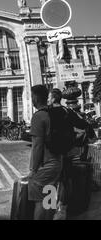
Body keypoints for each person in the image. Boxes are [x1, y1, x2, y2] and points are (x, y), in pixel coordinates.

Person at [47, 88, 90, 220]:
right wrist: (74, 138)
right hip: (67, 151)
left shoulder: (47, 113)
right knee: (65, 179)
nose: (47, 100)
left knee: (51, 181)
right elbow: (84, 125)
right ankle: (62, 208)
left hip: (52, 153)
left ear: (53, 98)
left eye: (49, 97)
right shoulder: (68, 111)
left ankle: (49, 208)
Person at [28, 85, 62, 220]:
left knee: (40, 201)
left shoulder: (38, 116)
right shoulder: (53, 113)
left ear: (35, 97)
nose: (32, 100)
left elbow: (37, 146)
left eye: (32, 97)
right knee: (50, 197)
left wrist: (33, 170)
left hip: (45, 165)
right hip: (57, 162)